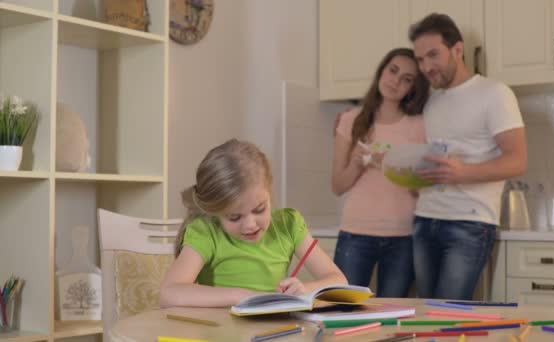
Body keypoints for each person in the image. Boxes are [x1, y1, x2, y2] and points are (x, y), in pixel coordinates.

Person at [409, 13, 528, 300]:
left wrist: (462, 173)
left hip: (470, 223)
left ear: (457, 50)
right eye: (420, 59)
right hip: (425, 219)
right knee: (425, 314)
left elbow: (518, 160)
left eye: (433, 55)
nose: (426, 66)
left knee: (446, 317)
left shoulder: (495, 93)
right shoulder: (430, 101)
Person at [160, 139, 347, 308]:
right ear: (215, 212)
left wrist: (306, 288)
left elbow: (339, 281)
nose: (250, 225)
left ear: (270, 190)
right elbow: (169, 294)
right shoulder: (206, 231)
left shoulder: (288, 225)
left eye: (259, 209)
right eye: (234, 217)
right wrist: (241, 296)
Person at [331, 48, 430, 298]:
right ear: (381, 71)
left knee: (392, 315)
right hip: (355, 233)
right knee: (343, 308)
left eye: (407, 78)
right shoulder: (351, 120)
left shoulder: (419, 125)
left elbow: (423, 189)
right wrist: (357, 163)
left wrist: (396, 167)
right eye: (393, 70)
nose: (395, 81)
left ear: (413, 88)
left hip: (403, 237)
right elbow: (337, 185)